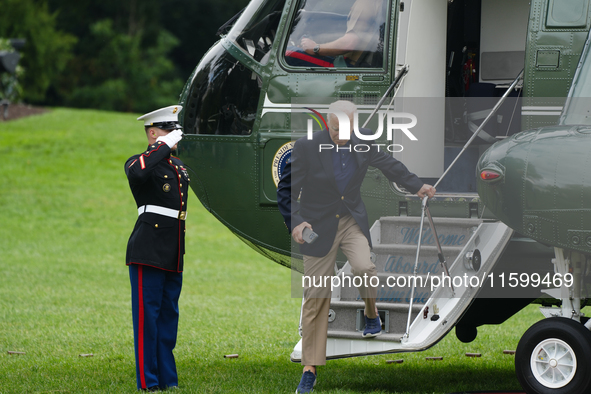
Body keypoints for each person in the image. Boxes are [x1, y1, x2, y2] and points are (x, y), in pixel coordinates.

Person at [276, 101, 436, 393]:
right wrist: (296, 222)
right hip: (316, 226)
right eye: (337, 130)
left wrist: (417, 186)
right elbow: (286, 190)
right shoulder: (306, 147)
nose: (342, 135)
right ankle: (310, 368)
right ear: (327, 123)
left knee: (365, 267)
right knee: (316, 296)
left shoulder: (363, 141)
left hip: (349, 220)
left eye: (347, 129)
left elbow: (389, 164)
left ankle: (371, 315)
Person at [125, 105, 189, 391]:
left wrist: (168, 146)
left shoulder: (177, 167)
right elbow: (139, 174)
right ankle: (148, 382)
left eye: (176, 130)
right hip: (148, 249)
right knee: (146, 321)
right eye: (168, 130)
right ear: (153, 133)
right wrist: (162, 145)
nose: (175, 136)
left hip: (173, 251)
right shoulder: (138, 162)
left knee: (167, 319)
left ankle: (168, 380)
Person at [285, 0, 384, 67]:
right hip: (355, 63)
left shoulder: (365, 3)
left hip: (350, 67)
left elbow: (349, 43)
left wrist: (315, 48)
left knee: (288, 53)